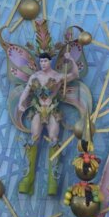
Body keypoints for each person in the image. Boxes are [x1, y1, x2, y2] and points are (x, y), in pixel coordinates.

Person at [16, 51, 79, 195]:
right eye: (41, 61)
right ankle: (27, 179)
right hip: (38, 110)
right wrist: (21, 103)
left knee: (54, 140)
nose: (43, 63)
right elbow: (26, 90)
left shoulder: (58, 76)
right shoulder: (35, 76)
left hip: (52, 110)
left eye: (45, 61)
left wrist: (71, 60)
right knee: (34, 139)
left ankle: (53, 182)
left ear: (50, 61)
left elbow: (75, 74)